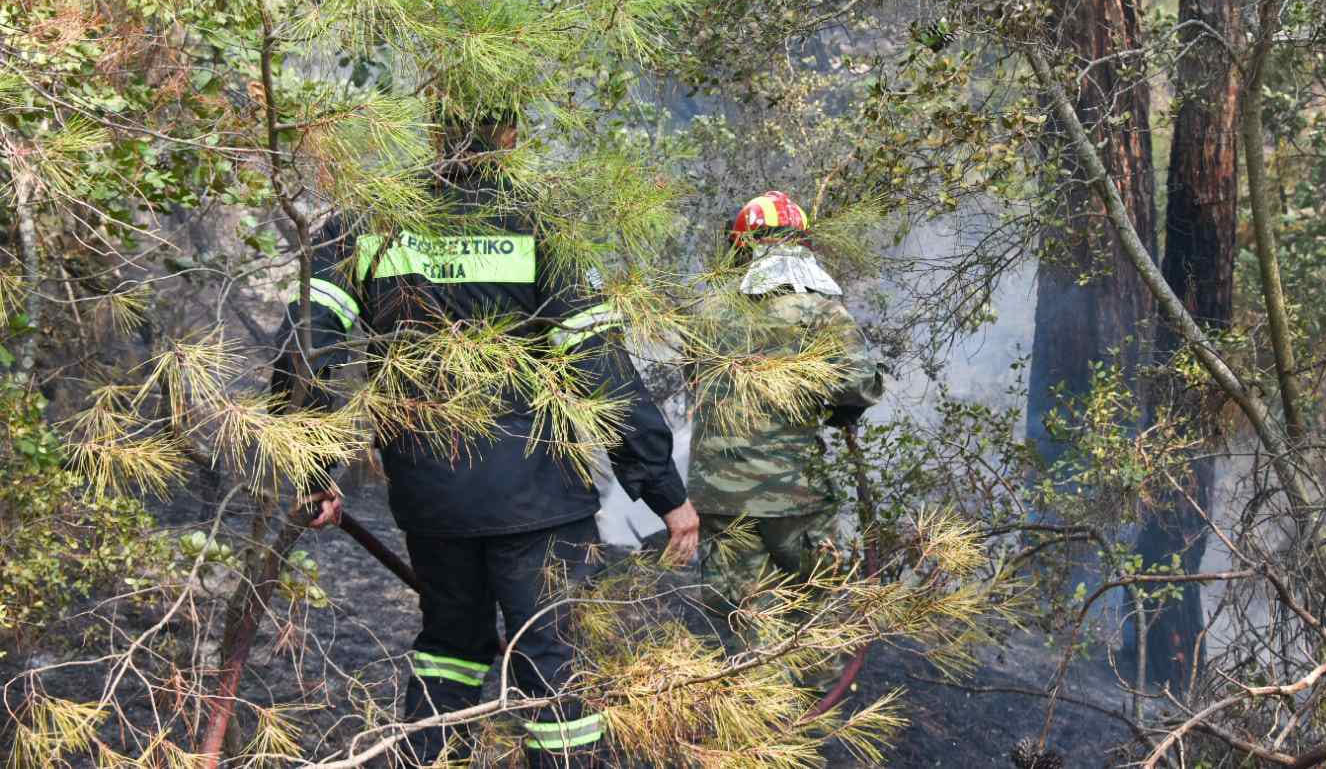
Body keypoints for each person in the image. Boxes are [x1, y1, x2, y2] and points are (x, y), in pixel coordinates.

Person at [272, 110, 699, 769]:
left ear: (436, 129)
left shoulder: (372, 221)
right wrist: (664, 491)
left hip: (432, 494)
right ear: (510, 134)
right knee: (551, 660)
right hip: (539, 496)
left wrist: (314, 471)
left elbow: (308, 339)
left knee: (449, 648)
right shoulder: (534, 225)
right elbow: (599, 367)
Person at [687, 191, 885, 650]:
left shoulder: (709, 310)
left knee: (742, 621)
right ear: (803, 246)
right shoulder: (818, 309)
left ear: (740, 248)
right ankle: (815, 714)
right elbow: (862, 384)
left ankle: (753, 714)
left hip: (719, 495)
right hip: (793, 496)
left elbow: (696, 381)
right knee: (815, 617)